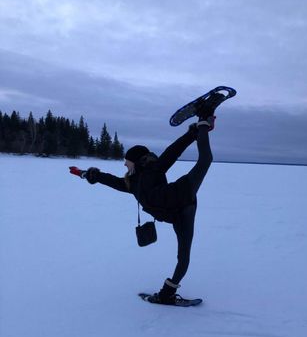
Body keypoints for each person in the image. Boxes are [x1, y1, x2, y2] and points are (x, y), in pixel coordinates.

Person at [70, 97, 222, 305]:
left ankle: (204, 121)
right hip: (174, 214)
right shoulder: (131, 183)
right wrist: (87, 174)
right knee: (183, 257)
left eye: (127, 162)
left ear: (137, 161)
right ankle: (167, 294)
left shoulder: (154, 169)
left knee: (206, 161)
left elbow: (172, 152)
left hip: (184, 196)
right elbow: (110, 180)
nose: (125, 165)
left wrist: (191, 134)